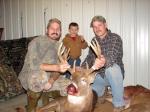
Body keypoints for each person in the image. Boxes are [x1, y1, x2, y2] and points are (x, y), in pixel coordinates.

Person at [18, 18, 71, 112]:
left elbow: (59, 69)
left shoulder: (61, 47)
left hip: (50, 78)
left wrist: (51, 81)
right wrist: (56, 67)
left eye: (57, 29)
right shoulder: (36, 42)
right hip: (31, 75)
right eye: (52, 28)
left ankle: (57, 106)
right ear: (47, 30)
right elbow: (34, 65)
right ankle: (31, 109)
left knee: (70, 87)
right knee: (40, 77)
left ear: (60, 31)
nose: (55, 31)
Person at [82, 16, 125, 112]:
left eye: (99, 25)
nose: (97, 29)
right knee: (89, 97)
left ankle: (119, 103)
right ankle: (102, 92)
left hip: (114, 76)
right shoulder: (94, 41)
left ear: (105, 25)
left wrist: (103, 60)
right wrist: (82, 68)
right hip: (99, 76)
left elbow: (112, 56)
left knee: (111, 68)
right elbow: (89, 57)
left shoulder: (115, 38)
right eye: (94, 27)